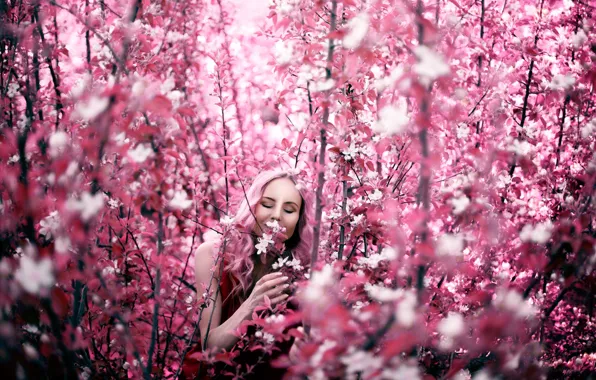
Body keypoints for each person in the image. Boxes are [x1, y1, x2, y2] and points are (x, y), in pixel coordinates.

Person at [181, 170, 313, 379]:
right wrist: (251, 305)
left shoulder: (305, 272)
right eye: (267, 205)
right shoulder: (212, 255)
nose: (277, 215)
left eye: (289, 209)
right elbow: (209, 347)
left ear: (299, 221)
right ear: (252, 207)